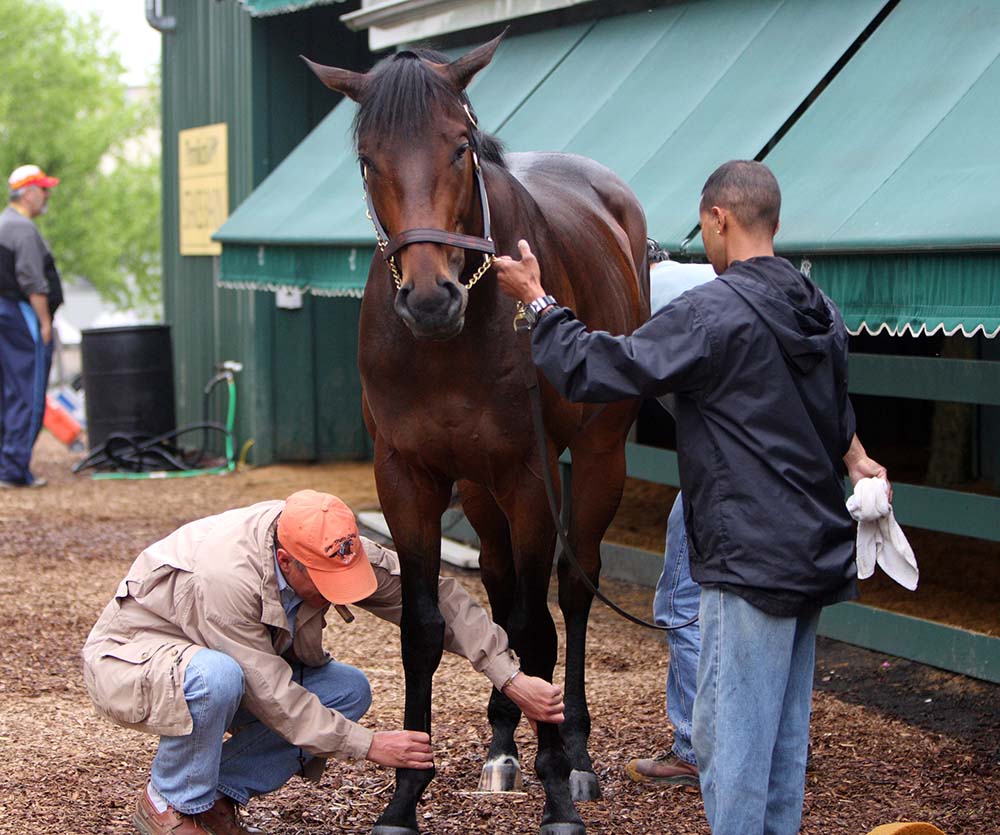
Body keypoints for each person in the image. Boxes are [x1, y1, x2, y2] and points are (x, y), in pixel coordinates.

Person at [493, 160, 888, 835]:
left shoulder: (712, 310)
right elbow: (833, 406)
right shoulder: (818, 305)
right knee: (780, 737)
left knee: (732, 736)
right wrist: (855, 455)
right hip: (815, 546)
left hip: (748, 554)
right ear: (776, 222)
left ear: (718, 220)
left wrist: (536, 299)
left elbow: (598, 367)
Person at [83, 490, 564, 835]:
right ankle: (168, 803)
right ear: (285, 560)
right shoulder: (225, 577)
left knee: (347, 689)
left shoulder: (327, 541)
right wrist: (369, 744)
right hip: (135, 661)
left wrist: (510, 677)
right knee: (218, 676)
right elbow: (270, 691)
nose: (341, 588)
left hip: (223, 665)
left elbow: (434, 596)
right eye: (325, 580)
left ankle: (215, 800)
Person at [0, 164, 64, 487]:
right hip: (21, 314)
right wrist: (44, 321)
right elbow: (31, 279)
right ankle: (13, 469)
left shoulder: (3, 223)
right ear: (27, 193)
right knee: (29, 388)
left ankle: (6, 463)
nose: (47, 195)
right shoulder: (21, 229)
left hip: (6, 314)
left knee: (7, 390)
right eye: (43, 189)